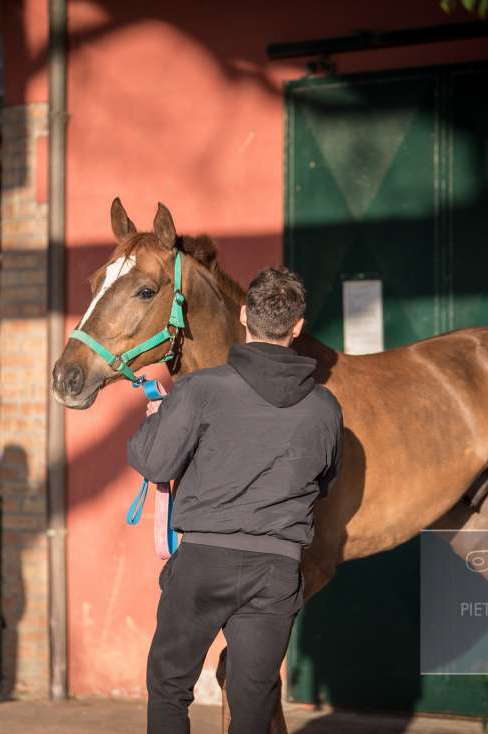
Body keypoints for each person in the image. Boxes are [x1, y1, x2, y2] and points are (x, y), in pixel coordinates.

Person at [128, 265, 343, 734]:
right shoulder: (326, 408)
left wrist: (157, 418)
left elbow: (154, 464)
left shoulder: (200, 390)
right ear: (298, 327)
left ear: (244, 315)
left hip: (205, 561)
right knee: (252, 703)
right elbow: (324, 482)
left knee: (169, 686)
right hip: (277, 571)